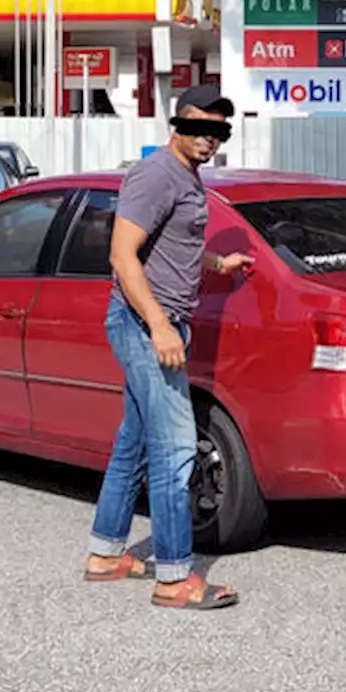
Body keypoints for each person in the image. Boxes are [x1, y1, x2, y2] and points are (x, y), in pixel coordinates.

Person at [82, 84, 254, 610]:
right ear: (176, 125)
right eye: (200, 127)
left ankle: (106, 555)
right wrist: (158, 325)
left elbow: (172, 245)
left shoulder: (186, 177)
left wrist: (217, 265)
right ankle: (175, 578)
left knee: (133, 443)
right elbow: (123, 255)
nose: (209, 139)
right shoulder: (156, 175)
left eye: (219, 131)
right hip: (142, 323)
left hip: (158, 321)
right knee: (176, 450)